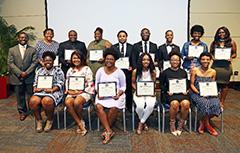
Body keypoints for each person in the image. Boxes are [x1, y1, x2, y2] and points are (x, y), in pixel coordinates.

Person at [95, 48, 126, 144]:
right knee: (98, 106)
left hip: (115, 96)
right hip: (103, 96)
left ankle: (106, 130)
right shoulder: (100, 71)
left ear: (115, 60)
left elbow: (123, 86)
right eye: (107, 59)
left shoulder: (120, 72)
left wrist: (118, 94)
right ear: (104, 59)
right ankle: (109, 130)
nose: (109, 61)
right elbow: (96, 84)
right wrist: (99, 92)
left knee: (114, 107)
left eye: (111, 59)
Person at [29, 51, 65, 133]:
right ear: (43, 61)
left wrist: (52, 89)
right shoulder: (39, 70)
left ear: (53, 61)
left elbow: (61, 83)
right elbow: (35, 82)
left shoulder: (58, 70)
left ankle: (50, 120)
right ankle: (39, 120)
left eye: (50, 60)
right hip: (41, 91)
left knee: (46, 101)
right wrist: (35, 88)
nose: (48, 62)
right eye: (46, 60)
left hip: (54, 91)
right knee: (33, 101)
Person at [8, 32, 37, 121]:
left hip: (29, 77)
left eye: (25, 37)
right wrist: (20, 73)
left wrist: (26, 73)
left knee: (31, 95)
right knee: (19, 96)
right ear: (18, 39)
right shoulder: (12, 50)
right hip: (17, 77)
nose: (23, 39)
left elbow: (34, 62)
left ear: (27, 39)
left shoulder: (32, 50)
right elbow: (10, 63)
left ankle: (33, 111)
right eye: (21, 37)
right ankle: (22, 112)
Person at [190, 52, 221, 136]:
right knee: (205, 103)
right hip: (196, 93)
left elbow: (213, 84)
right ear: (200, 60)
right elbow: (191, 85)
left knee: (216, 103)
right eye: (203, 59)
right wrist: (199, 93)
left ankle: (202, 121)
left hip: (209, 93)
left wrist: (213, 93)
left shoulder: (213, 71)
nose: (205, 61)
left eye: (207, 59)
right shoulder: (195, 70)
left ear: (210, 60)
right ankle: (208, 125)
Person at [160, 51, 190, 136]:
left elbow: (186, 84)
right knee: (175, 103)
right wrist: (167, 91)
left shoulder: (183, 72)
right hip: (170, 94)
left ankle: (181, 123)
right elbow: (161, 85)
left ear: (180, 61)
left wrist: (186, 90)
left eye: (177, 60)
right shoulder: (165, 72)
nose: (175, 62)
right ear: (169, 61)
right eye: (173, 60)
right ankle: (172, 123)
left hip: (182, 93)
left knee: (186, 103)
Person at [64, 51, 94, 136]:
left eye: (77, 58)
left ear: (81, 59)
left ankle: (80, 122)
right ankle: (80, 122)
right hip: (72, 91)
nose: (76, 60)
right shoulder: (70, 70)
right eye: (74, 58)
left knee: (77, 102)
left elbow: (90, 83)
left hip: (84, 92)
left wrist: (81, 91)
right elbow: (67, 82)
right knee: (68, 102)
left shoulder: (87, 69)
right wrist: (69, 91)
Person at [210, 26, 237, 108]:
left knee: (225, 85)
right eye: (220, 32)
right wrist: (212, 57)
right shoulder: (214, 42)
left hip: (226, 66)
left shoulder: (232, 42)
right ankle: (215, 101)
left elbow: (235, 53)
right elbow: (210, 52)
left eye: (223, 32)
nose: (221, 34)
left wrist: (231, 57)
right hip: (216, 66)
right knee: (214, 84)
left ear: (226, 33)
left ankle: (222, 101)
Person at [132, 53, 156, 134]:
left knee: (150, 105)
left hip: (149, 93)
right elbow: (133, 83)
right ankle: (144, 121)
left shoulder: (153, 71)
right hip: (139, 92)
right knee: (140, 107)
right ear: (140, 61)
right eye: (144, 59)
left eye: (148, 60)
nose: (146, 61)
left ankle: (141, 123)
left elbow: (154, 83)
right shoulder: (135, 71)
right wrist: (137, 90)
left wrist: (152, 91)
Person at [112, 30, 133, 111]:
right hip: (117, 72)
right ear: (118, 37)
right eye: (120, 36)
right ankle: (118, 105)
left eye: (123, 36)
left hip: (128, 71)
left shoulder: (131, 47)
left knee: (128, 89)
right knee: (118, 88)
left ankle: (129, 106)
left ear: (126, 37)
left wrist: (132, 66)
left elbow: (133, 59)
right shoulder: (114, 47)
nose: (122, 37)